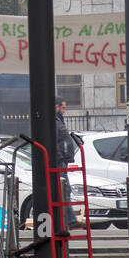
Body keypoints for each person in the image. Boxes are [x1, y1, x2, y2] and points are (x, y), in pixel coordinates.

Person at [55, 96, 78, 230]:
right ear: (56, 107)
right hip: (60, 161)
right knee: (65, 189)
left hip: (63, 160)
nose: (64, 111)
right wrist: (61, 156)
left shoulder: (58, 120)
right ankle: (70, 219)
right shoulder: (55, 121)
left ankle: (70, 219)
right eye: (63, 108)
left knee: (65, 189)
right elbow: (57, 141)